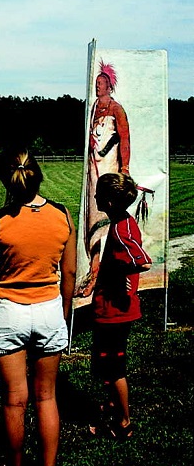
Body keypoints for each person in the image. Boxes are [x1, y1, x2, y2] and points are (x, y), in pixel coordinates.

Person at [0, 149, 76, 466]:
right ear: (37, 176)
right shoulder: (63, 216)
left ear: (6, 180)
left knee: (13, 401)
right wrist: (61, 313)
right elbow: (71, 274)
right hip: (48, 309)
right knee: (46, 396)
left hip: (8, 312)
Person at [88, 173, 152, 441]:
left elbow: (142, 260)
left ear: (110, 202)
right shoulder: (120, 223)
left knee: (113, 367)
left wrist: (120, 279)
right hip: (110, 309)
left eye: (98, 196)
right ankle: (114, 406)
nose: (94, 198)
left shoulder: (123, 229)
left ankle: (123, 423)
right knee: (103, 363)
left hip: (116, 312)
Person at [80, 60, 130, 297]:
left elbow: (124, 138)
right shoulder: (93, 108)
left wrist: (125, 167)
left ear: (109, 86)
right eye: (97, 84)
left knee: (108, 215)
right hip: (93, 168)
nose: (98, 87)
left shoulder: (116, 108)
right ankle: (94, 267)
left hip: (110, 166)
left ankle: (106, 270)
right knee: (93, 213)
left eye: (101, 84)